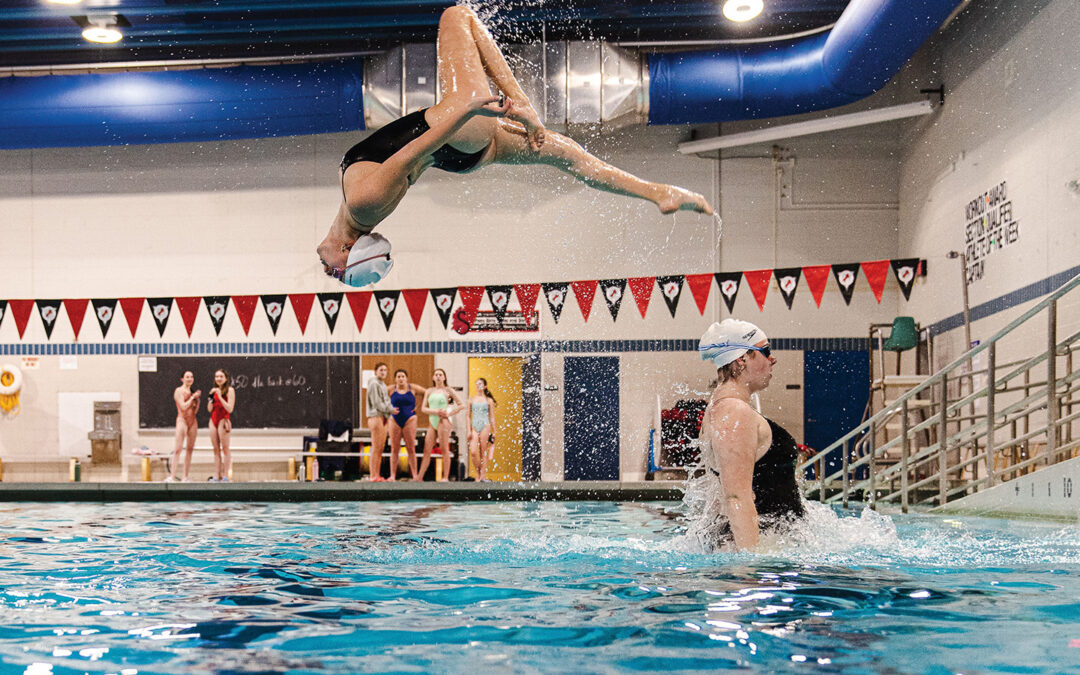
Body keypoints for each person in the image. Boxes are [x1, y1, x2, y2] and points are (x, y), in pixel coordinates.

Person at [316, 5, 714, 287]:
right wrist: (470, 110)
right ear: (350, 247)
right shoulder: (364, 204)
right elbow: (416, 147)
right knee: (457, 16)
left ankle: (660, 193)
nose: (326, 270)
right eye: (337, 271)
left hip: (462, 150)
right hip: (455, 131)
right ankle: (521, 102)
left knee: (570, 157)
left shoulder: (356, 210)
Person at [696, 319, 805, 551]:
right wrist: (749, 572)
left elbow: (720, 493)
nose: (772, 359)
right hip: (761, 549)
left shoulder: (722, 407)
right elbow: (736, 496)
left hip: (765, 544)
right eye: (765, 351)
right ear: (742, 359)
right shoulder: (734, 412)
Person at [418, 368, 466, 481]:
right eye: (436, 374)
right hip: (432, 421)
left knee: (444, 449)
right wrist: (435, 412)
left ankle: (445, 477)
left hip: (443, 422)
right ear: (433, 378)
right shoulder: (429, 391)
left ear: (444, 377)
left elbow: (461, 405)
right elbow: (423, 408)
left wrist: (449, 412)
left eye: (440, 374)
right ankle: (419, 477)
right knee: (427, 450)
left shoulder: (448, 390)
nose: (438, 376)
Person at [387, 369, 427, 481]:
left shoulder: (412, 388)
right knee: (394, 449)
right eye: (398, 376)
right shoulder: (391, 389)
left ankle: (415, 475)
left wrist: (419, 405)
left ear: (406, 378)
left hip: (410, 419)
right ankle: (393, 475)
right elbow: (378, 397)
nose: (401, 379)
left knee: (411, 448)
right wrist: (388, 409)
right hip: (394, 420)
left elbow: (427, 392)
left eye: (403, 376)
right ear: (395, 379)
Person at [167, 371, 201, 482]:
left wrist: (196, 400)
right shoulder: (179, 391)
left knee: (190, 450)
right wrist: (192, 398)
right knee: (178, 449)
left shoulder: (192, 393)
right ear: (182, 379)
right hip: (182, 420)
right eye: (187, 377)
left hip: (192, 421)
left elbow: (195, 410)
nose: (190, 379)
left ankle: (185, 476)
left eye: (191, 377)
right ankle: (172, 476)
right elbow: (183, 406)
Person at [365, 362, 396, 481]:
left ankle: (376, 474)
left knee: (380, 448)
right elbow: (377, 403)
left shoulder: (382, 384)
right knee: (376, 447)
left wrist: (389, 410)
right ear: (375, 371)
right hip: (376, 416)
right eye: (381, 370)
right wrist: (391, 409)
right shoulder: (373, 383)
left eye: (385, 370)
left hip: (383, 416)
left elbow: (386, 401)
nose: (383, 372)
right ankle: (373, 475)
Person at [207, 368, 236, 482]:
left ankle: (225, 475)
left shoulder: (230, 390)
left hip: (223, 420)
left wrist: (219, 396)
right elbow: (209, 409)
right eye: (216, 376)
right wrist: (211, 398)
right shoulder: (213, 390)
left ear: (226, 378)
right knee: (215, 449)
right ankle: (216, 475)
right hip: (213, 419)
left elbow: (230, 408)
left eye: (221, 376)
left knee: (225, 448)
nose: (218, 379)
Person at [467, 377, 497, 482]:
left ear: (484, 386)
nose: (478, 386)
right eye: (477, 384)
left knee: (483, 451)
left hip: (485, 425)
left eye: (480, 384)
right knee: (474, 451)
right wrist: (468, 430)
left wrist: (495, 431)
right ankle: (478, 471)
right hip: (474, 427)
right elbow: (468, 416)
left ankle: (482, 475)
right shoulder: (471, 399)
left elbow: (492, 416)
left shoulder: (488, 401)